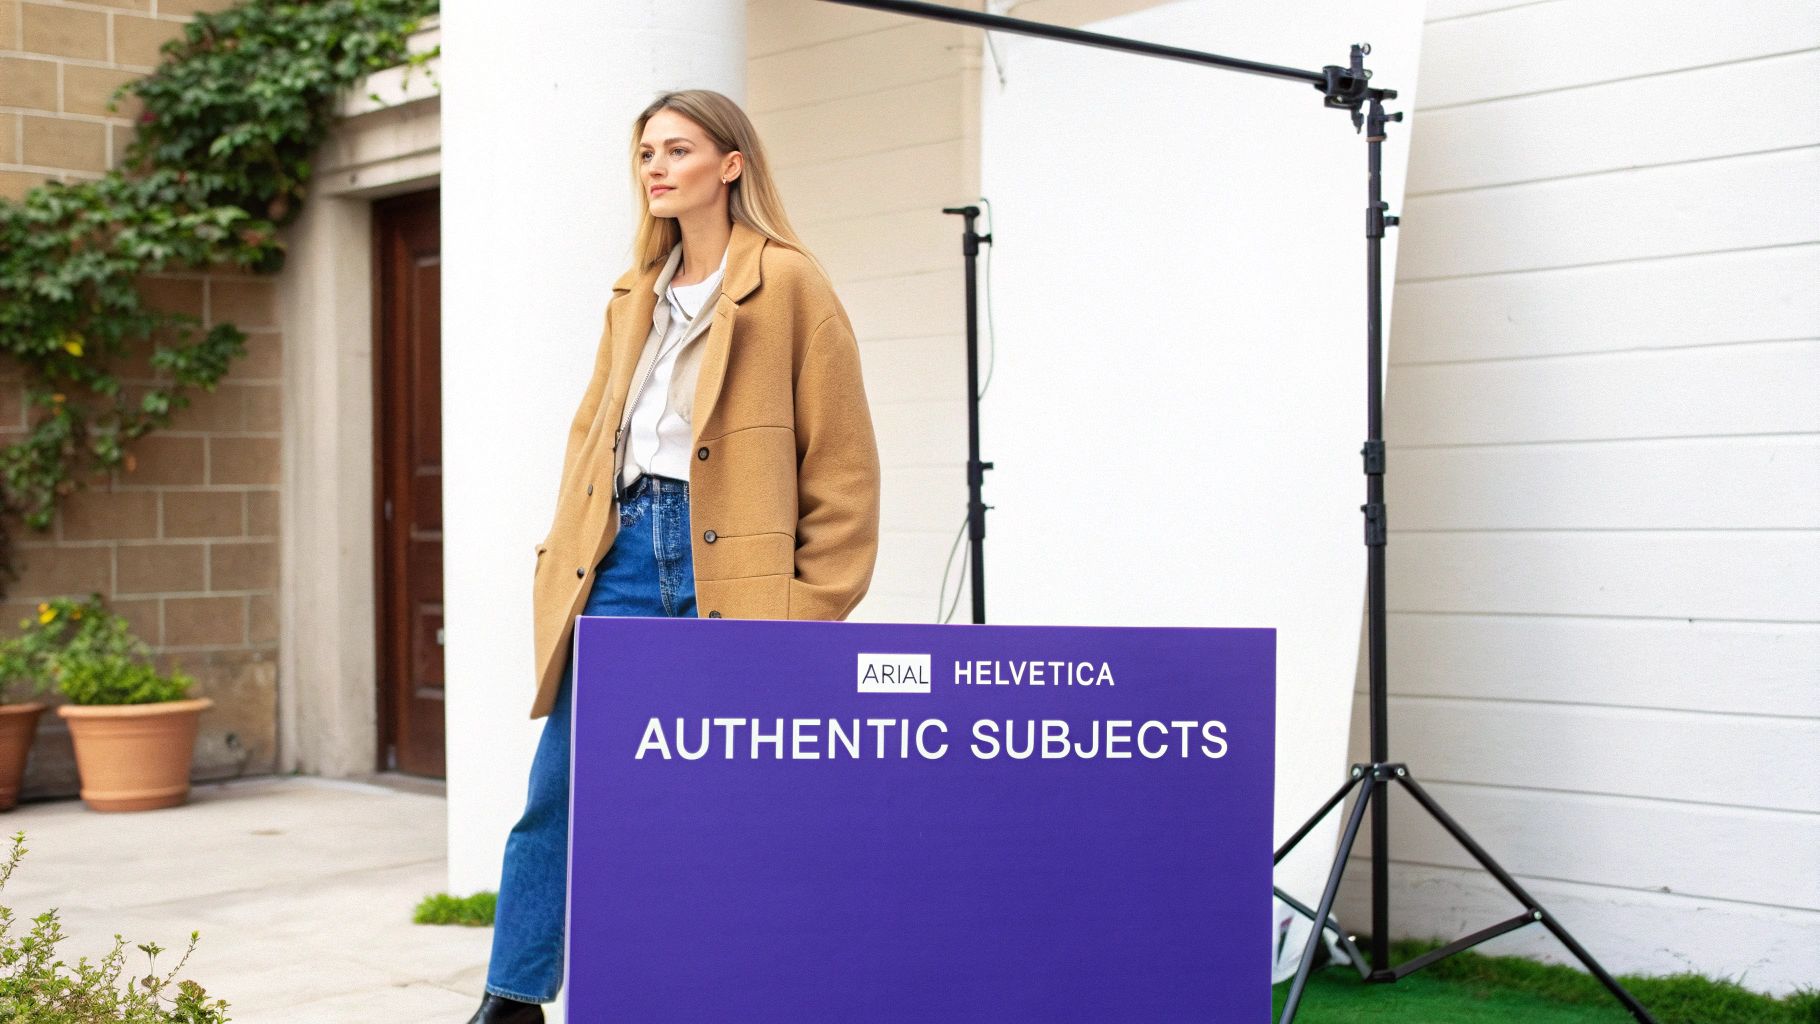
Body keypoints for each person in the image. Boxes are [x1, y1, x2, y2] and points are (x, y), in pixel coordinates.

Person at [466, 88, 882, 1024]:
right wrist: (560, 551)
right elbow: (590, 438)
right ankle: (513, 997)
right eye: (646, 152)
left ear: (730, 164)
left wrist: (811, 602)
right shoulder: (632, 296)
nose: (655, 167)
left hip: (728, 563)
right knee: (561, 789)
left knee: (734, 797)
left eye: (678, 149)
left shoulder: (791, 284)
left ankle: (747, 986)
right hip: (620, 558)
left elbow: (845, 466)